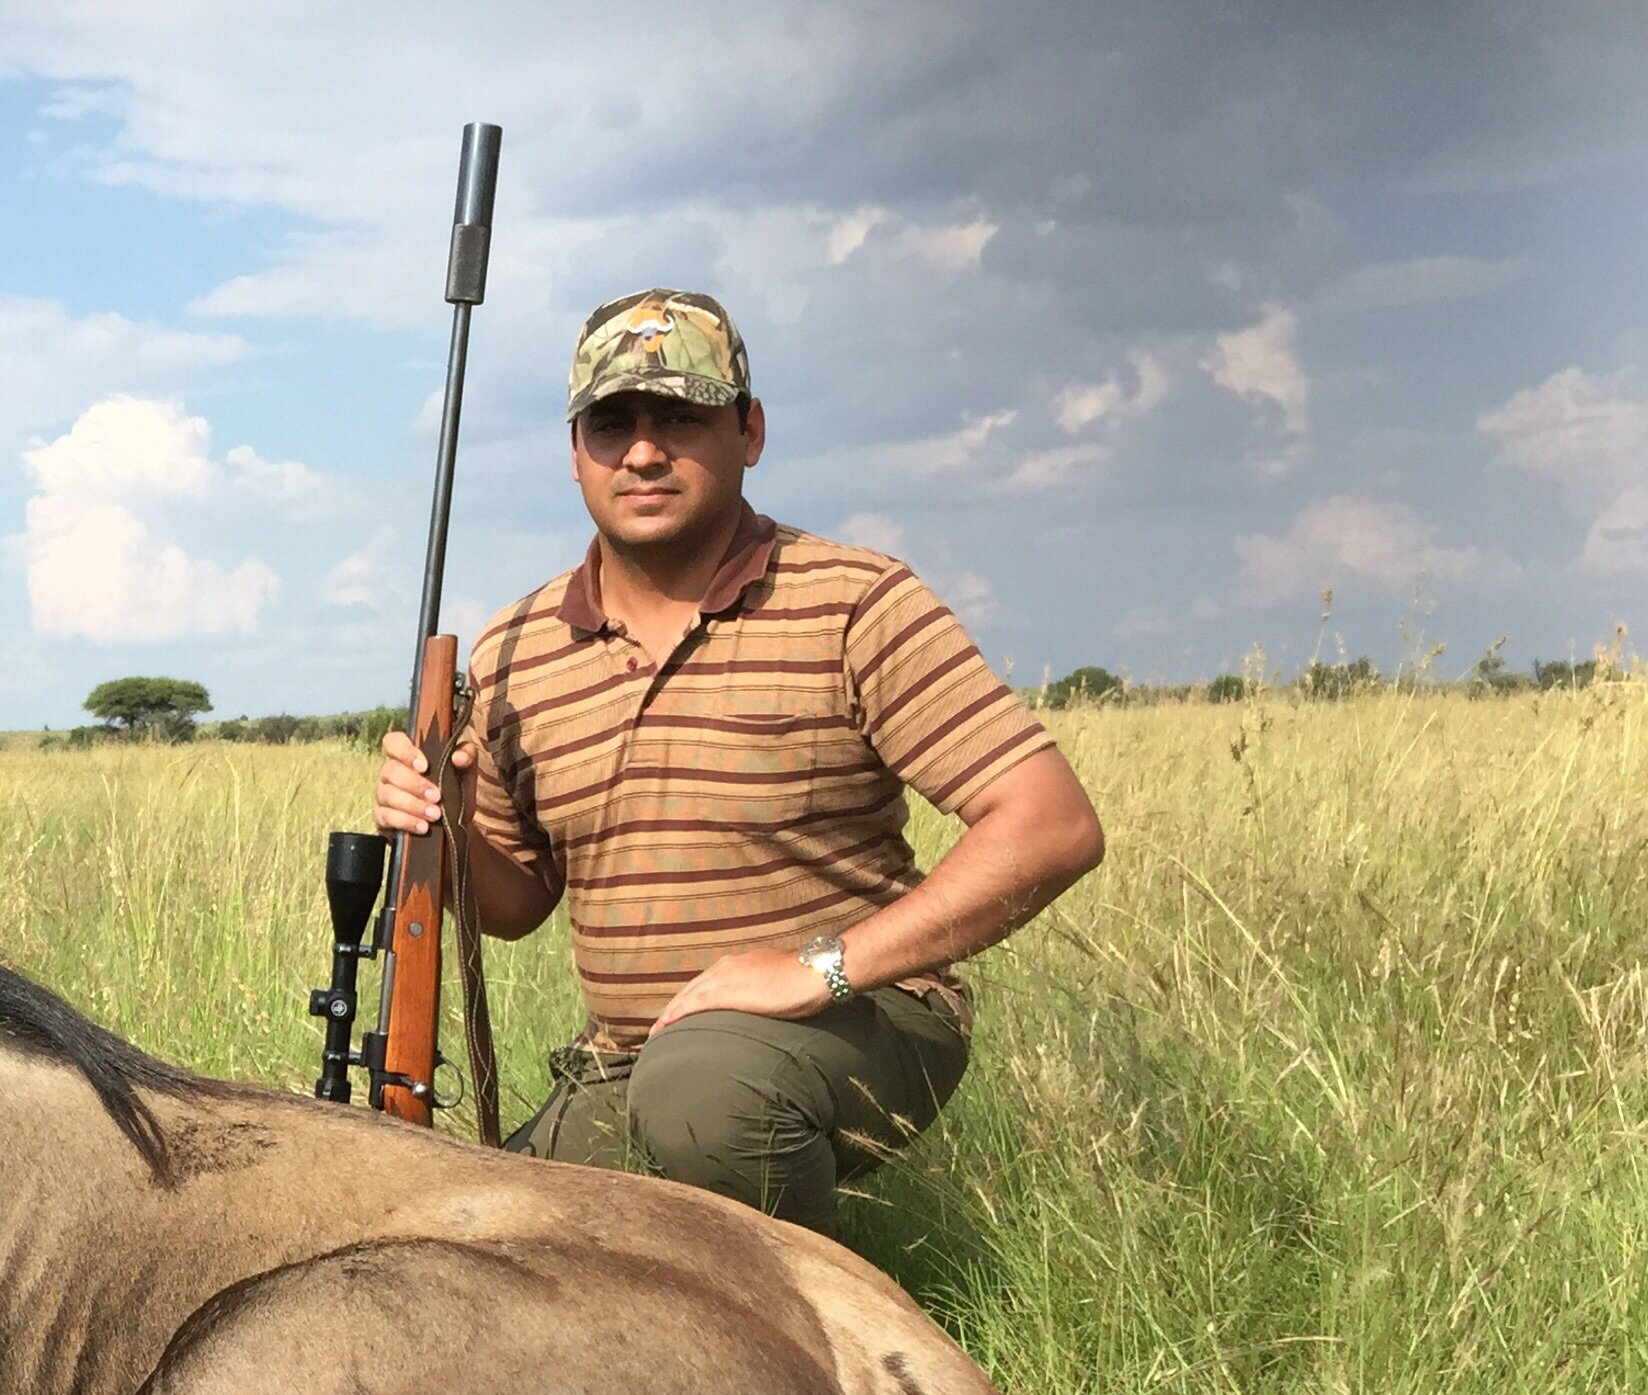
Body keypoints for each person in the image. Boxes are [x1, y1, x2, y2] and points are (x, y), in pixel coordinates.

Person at [376, 288, 1106, 1239]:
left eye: (681, 415)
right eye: (613, 423)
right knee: (466, 1236)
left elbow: (1053, 825)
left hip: (858, 1018)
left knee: (704, 1096)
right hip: (634, 1061)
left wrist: (823, 968)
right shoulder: (517, 647)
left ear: (749, 431)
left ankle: (828, 1355)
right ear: (575, 454)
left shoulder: (854, 599)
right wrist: (443, 824)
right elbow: (515, 907)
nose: (643, 451)